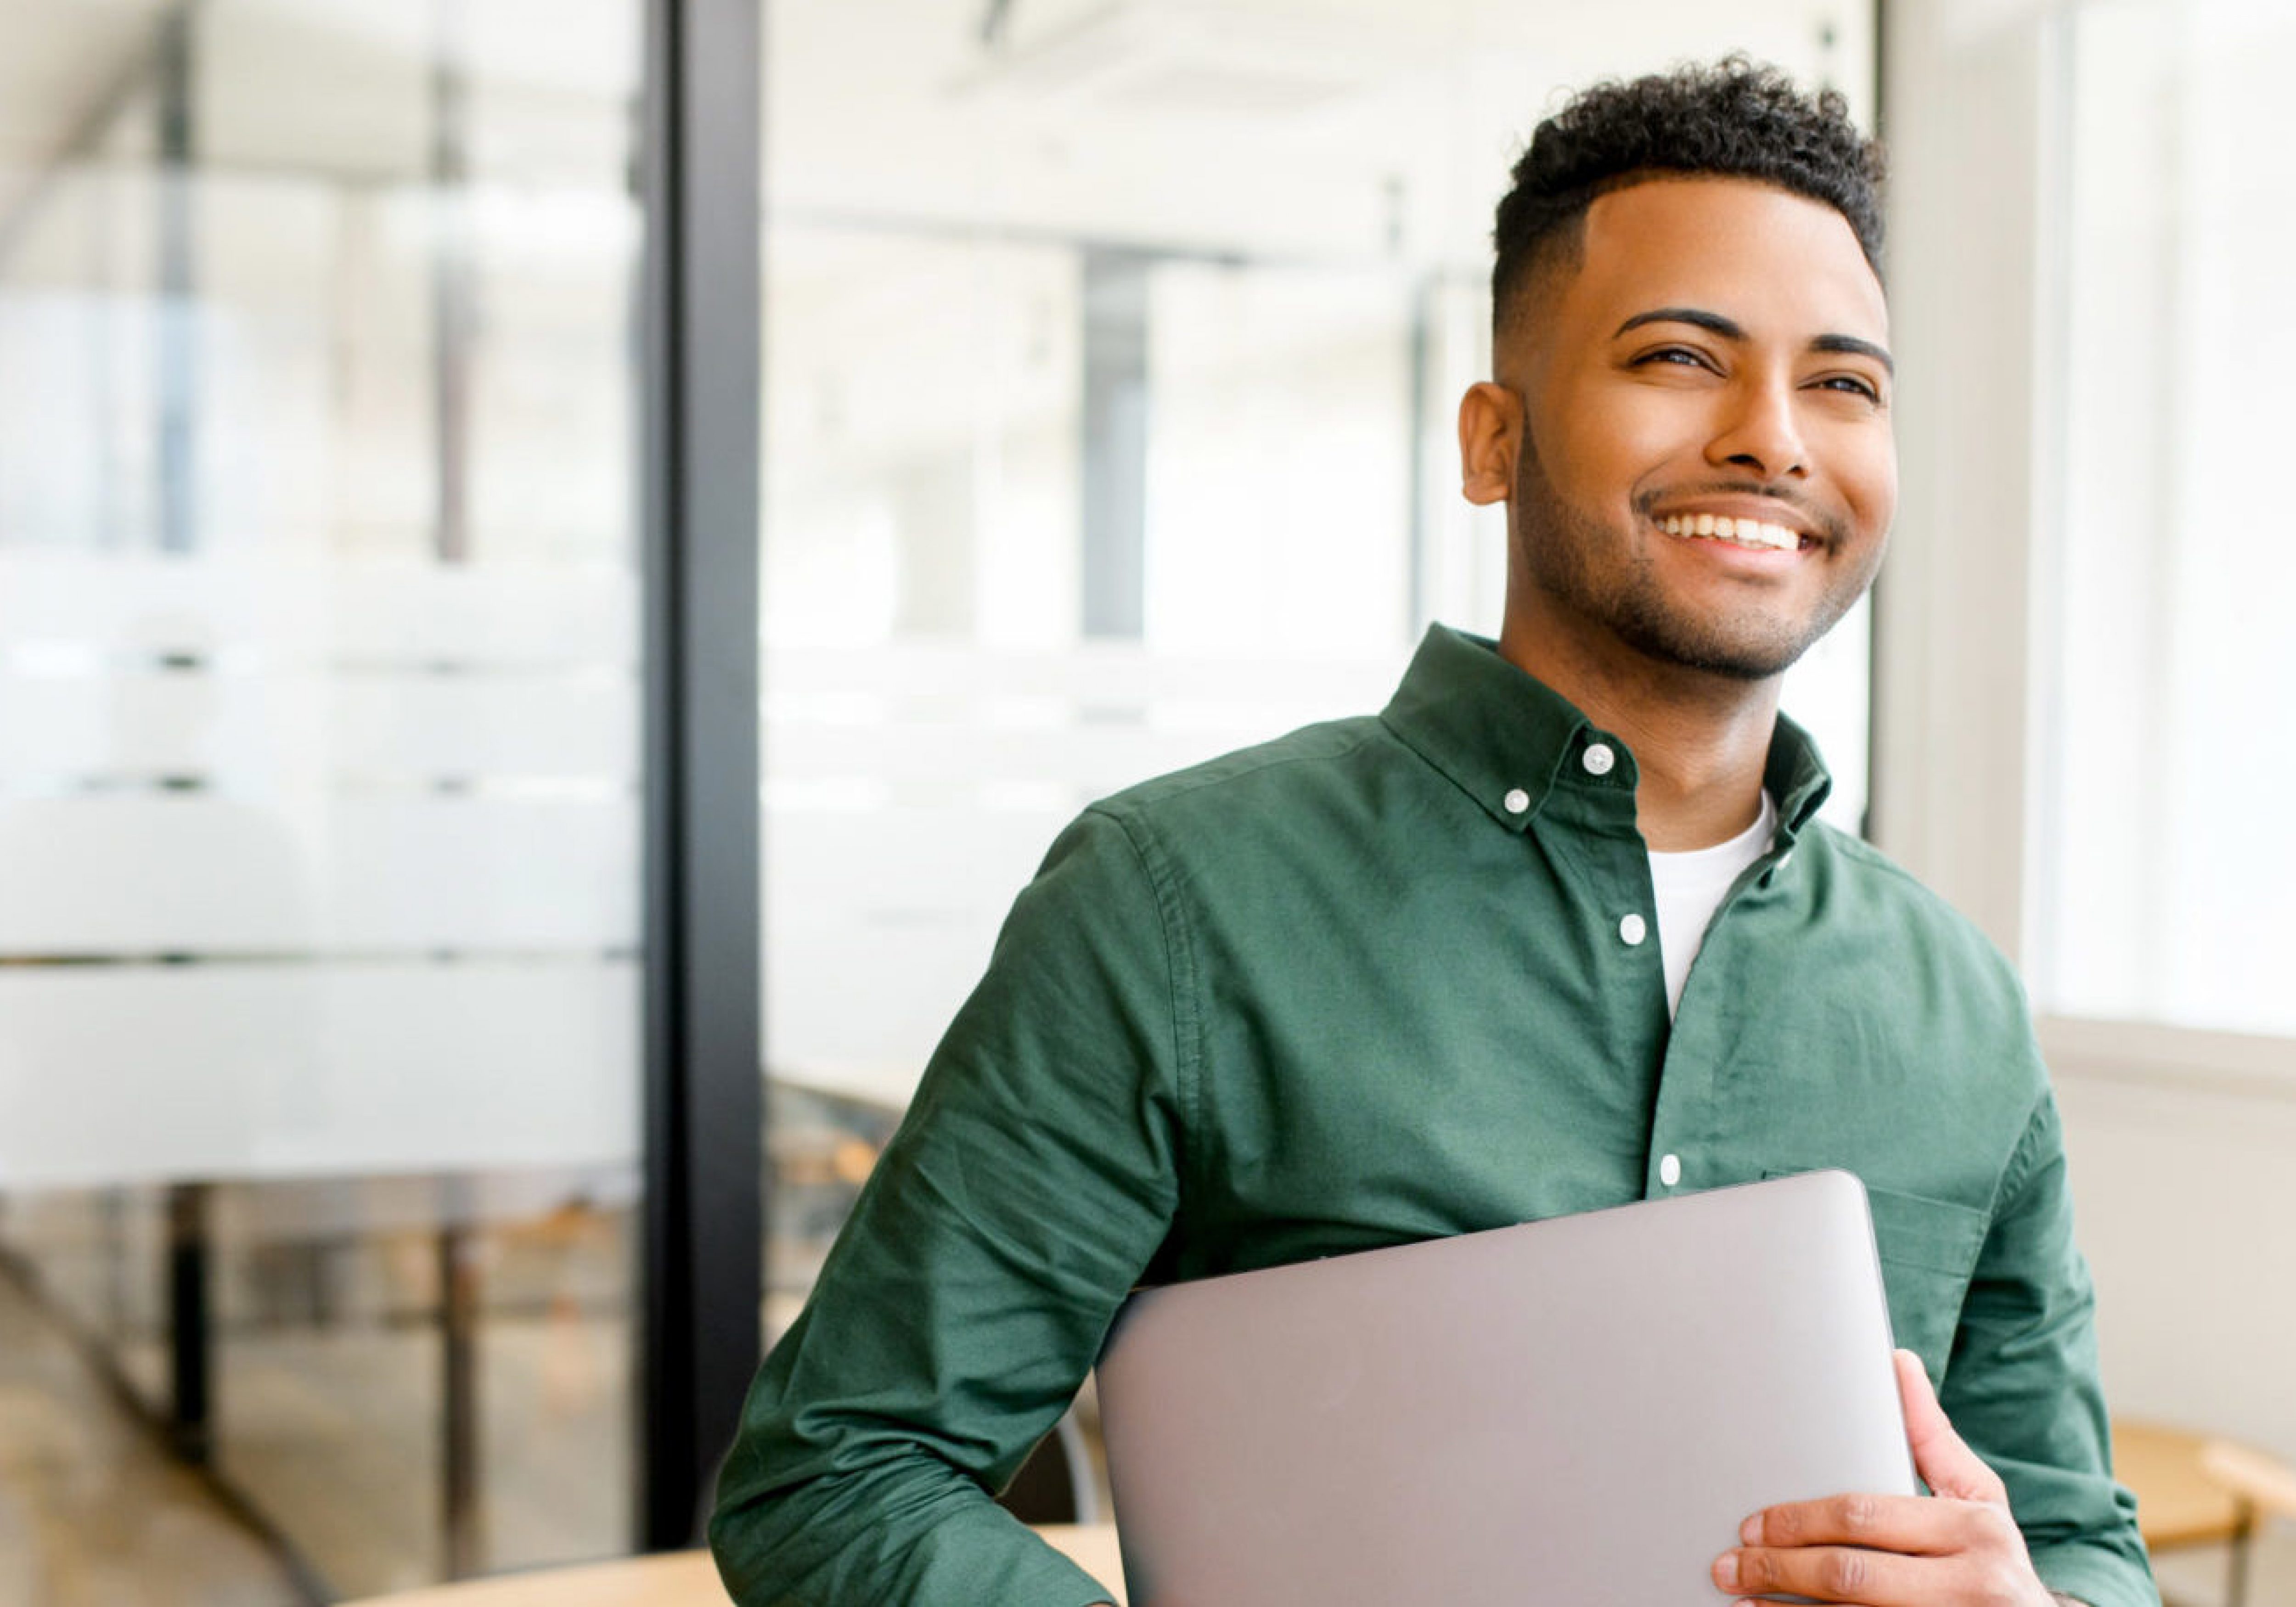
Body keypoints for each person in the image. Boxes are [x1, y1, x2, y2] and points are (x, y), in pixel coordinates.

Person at [710, 58, 2157, 1607]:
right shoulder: (1177, 903)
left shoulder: (1959, 1009)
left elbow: (2078, 1539)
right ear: (1492, 441)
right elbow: (840, 1467)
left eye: (1844, 383)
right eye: (1681, 355)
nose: (1773, 439)